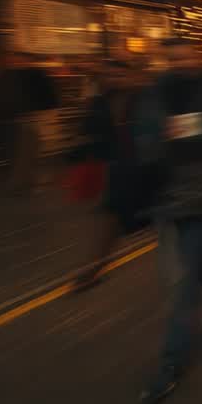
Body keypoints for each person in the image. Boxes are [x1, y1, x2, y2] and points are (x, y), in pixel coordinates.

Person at [137, 37, 202, 404]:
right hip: (171, 198)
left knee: (186, 279)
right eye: (175, 58)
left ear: (198, 57)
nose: (181, 63)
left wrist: (181, 130)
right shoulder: (157, 93)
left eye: (187, 56)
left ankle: (171, 364)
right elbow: (148, 140)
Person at [73, 60, 151, 289]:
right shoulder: (101, 101)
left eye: (121, 74)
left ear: (131, 75)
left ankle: (93, 269)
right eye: (111, 75)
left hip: (146, 170)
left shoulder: (144, 99)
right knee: (111, 218)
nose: (116, 79)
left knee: (122, 218)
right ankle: (93, 269)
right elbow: (90, 131)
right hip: (119, 170)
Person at [8, 52, 59, 192]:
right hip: (36, 115)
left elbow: (27, 97)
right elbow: (49, 95)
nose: (14, 61)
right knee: (34, 150)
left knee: (31, 150)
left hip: (34, 116)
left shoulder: (25, 74)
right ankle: (27, 182)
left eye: (17, 58)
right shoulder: (32, 73)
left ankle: (26, 182)